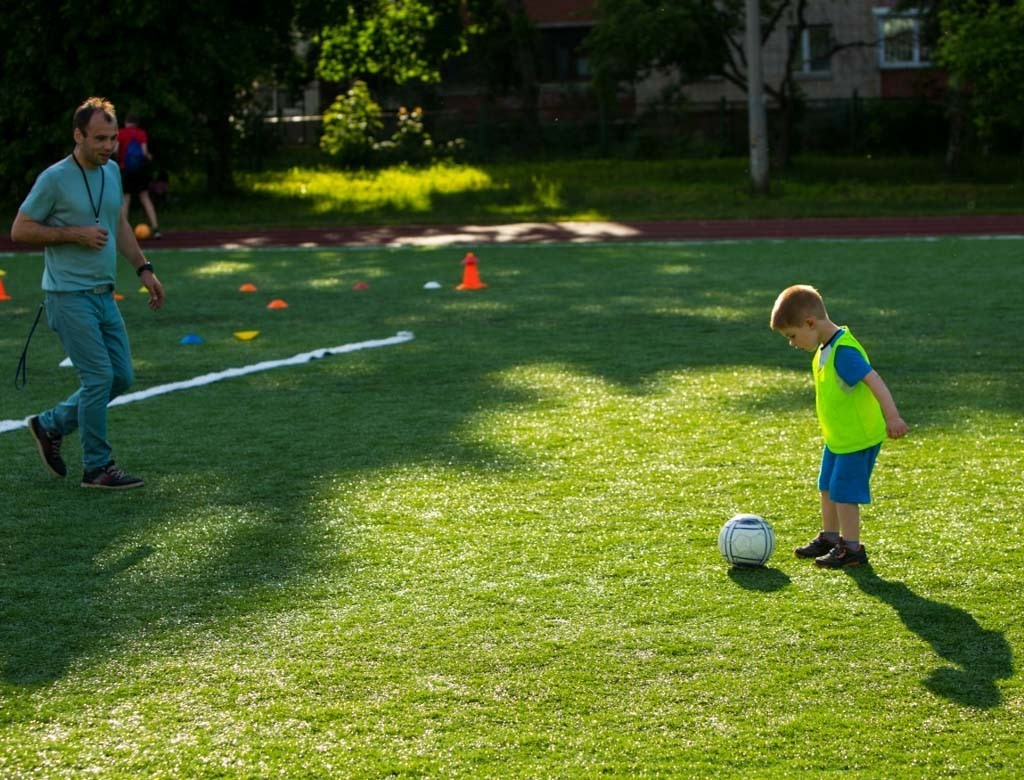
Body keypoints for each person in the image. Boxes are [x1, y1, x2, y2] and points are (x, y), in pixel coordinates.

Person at [10, 97, 165, 489]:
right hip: (67, 296)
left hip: (103, 294)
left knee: (122, 377)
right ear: (78, 136)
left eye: (112, 138)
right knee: (98, 378)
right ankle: (97, 467)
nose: (109, 146)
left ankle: (50, 425)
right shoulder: (54, 178)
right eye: (99, 138)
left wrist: (143, 268)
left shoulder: (112, 171)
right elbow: (20, 229)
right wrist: (73, 234)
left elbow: (119, 224)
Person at [770, 284, 908, 568]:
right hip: (838, 438)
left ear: (810, 322)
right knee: (827, 487)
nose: (792, 343)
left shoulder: (843, 352)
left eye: (792, 336)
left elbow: (874, 380)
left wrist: (892, 417)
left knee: (844, 493)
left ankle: (852, 548)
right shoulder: (825, 347)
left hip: (856, 438)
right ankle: (831, 538)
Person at [116, 113, 161, 237]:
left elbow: (116, 150)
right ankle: (156, 228)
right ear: (137, 123)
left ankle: (123, 232)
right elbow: (144, 152)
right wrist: (149, 158)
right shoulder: (141, 133)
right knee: (145, 197)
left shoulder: (121, 133)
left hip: (125, 169)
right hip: (140, 170)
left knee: (126, 199)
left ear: (126, 122)